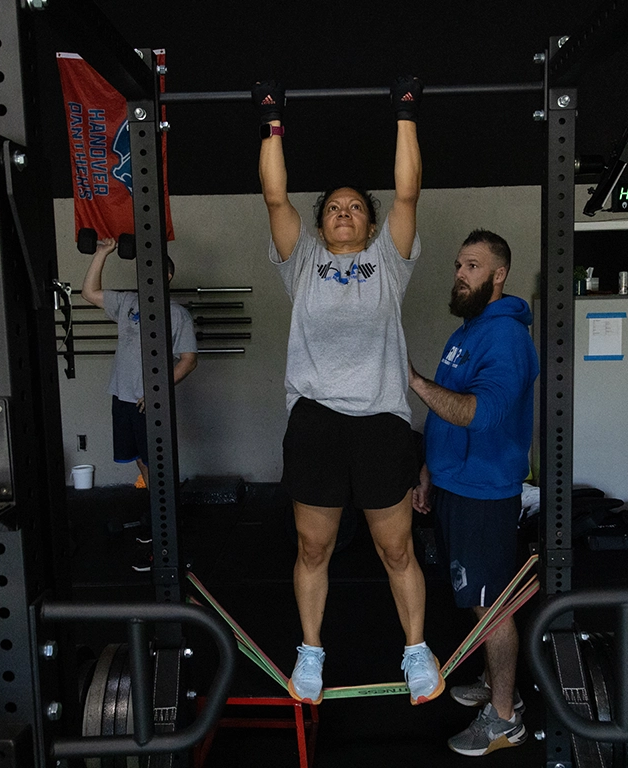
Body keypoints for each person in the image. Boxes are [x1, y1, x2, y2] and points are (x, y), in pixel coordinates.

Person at [254, 76, 442, 706]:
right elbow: (274, 196)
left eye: (355, 206)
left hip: (381, 422)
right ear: (321, 223)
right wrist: (272, 118)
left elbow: (409, 190)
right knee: (314, 545)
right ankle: (311, 652)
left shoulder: (391, 261)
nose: (342, 211)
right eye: (333, 207)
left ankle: (416, 649)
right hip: (315, 419)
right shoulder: (302, 261)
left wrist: (405, 113)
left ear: (370, 218)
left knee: (396, 547)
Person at [410, 229, 539, 756]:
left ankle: (505, 718)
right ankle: (493, 686)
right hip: (453, 483)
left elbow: (480, 414)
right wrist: (427, 470)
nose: (460, 274)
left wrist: (413, 381)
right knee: (477, 600)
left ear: (498, 274)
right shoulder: (467, 331)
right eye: (459, 264)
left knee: (493, 609)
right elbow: (449, 417)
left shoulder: (507, 338)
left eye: (472, 265)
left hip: (484, 492)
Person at [81, 236, 198, 513]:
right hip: (122, 396)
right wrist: (102, 253)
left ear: (166, 276)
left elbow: (189, 360)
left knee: (156, 459)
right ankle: (159, 512)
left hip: (149, 399)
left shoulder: (177, 315)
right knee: (140, 459)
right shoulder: (127, 303)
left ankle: (166, 516)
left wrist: (158, 390)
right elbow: (88, 292)